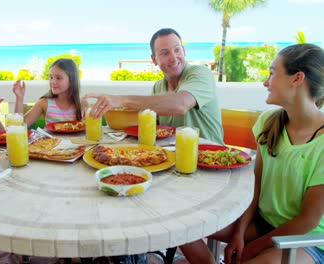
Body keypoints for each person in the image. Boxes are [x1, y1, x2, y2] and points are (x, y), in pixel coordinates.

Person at [180, 43, 324, 264]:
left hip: (305, 240)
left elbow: (308, 220)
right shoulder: (269, 123)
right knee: (182, 227)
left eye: (272, 73)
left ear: (297, 79)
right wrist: (239, 233)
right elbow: (255, 185)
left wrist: (254, 247)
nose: (265, 82)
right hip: (262, 223)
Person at [84, 28, 223, 144]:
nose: (173, 58)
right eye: (165, 53)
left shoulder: (201, 73)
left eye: (177, 50)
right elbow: (151, 126)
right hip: (174, 156)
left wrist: (122, 99)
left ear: (184, 51)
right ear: (154, 59)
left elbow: (180, 104)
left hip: (210, 157)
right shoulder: (158, 87)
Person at [13, 58, 83, 127]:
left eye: (58, 78)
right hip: (51, 139)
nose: (52, 82)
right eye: (51, 77)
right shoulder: (44, 103)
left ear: (71, 80)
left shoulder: (81, 104)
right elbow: (19, 126)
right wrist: (19, 98)